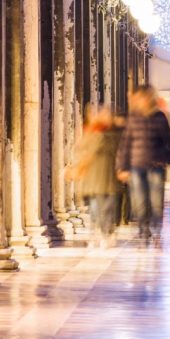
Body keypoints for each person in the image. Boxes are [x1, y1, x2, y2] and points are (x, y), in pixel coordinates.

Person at [116, 86, 170, 243]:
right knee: (139, 201)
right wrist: (122, 167)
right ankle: (143, 229)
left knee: (156, 201)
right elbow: (126, 144)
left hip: (156, 164)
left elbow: (168, 142)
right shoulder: (133, 117)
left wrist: (166, 159)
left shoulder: (160, 117)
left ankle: (156, 230)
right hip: (136, 164)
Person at [70, 105, 122, 248]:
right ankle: (98, 233)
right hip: (93, 176)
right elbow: (80, 151)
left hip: (107, 176)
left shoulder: (113, 134)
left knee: (106, 207)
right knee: (96, 207)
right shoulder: (90, 132)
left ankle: (105, 232)